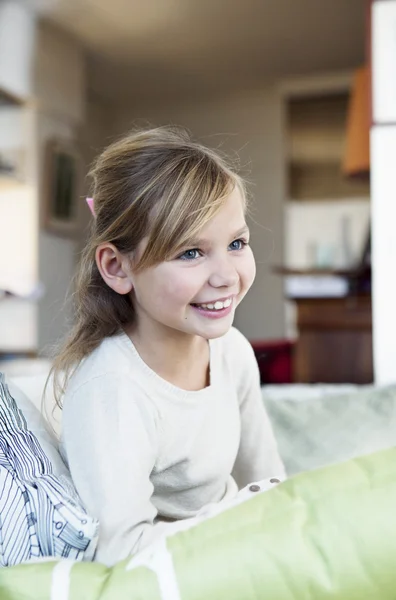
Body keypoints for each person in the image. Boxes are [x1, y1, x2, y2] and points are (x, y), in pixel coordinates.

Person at [53, 126, 285, 566]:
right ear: (117, 267)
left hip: (243, 550)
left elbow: (269, 479)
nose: (226, 276)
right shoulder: (112, 391)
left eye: (236, 243)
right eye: (191, 253)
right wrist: (240, 522)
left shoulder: (231, 351)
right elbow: (121, 552)